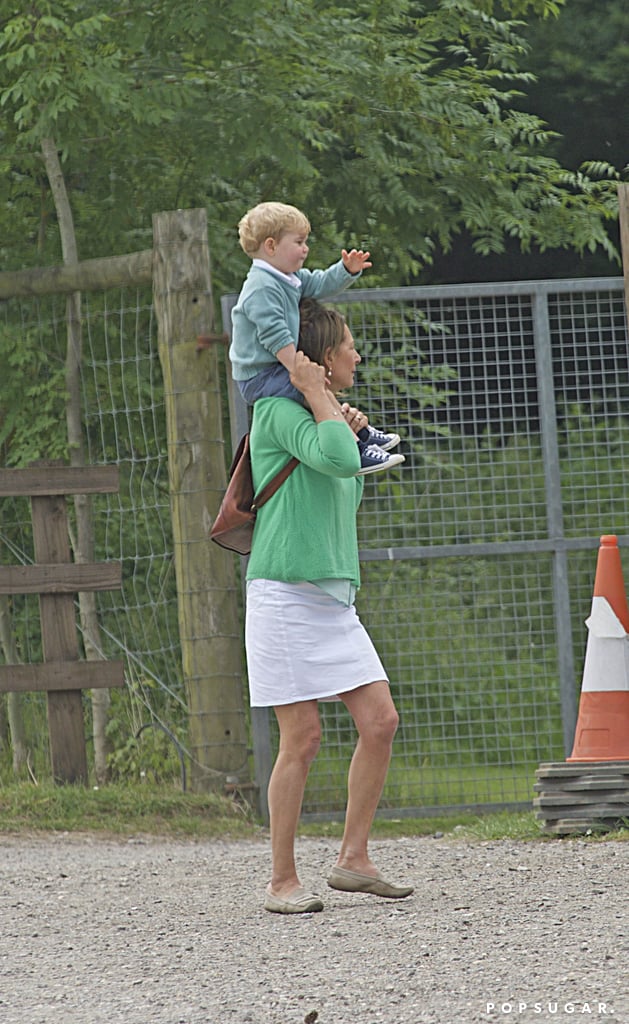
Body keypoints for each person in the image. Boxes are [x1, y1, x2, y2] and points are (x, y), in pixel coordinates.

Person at [245, 297, 414, 914]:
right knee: (304, 737)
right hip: (285, 595)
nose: (356, 354)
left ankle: (354, 859)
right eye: (346, 345)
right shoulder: (276, 413)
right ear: (319, 360)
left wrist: (350, 426)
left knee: (380, 721)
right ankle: (282, 881)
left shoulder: (319, 418)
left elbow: (346, 482)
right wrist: (322, 405)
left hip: (332, 597)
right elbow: (341, 461)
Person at [229, 200, 405, 475]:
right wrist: (299, 369)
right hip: (259, 376)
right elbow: (274, 335)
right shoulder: (260, 288)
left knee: (319, 387)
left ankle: (360, 435)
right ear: (271, 246)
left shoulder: (288, 278)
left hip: (275, 366)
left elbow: (321, 283)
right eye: (299, 242)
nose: (305, 249)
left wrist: (346, 270)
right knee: (314, 386)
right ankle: (357, 445)